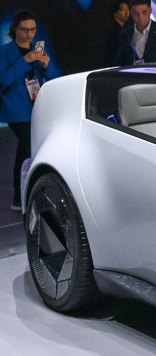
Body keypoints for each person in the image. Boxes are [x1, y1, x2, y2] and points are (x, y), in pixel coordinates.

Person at [0, 11, 61, 210]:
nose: (29, 34)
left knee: (32, 148)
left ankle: (31, 194)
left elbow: (54, 78)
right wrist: (23, 60)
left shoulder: (39, 49)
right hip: (16, 108)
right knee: (27, 145)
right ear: (14, 29)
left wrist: (46, 64)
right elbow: (4, 79)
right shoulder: (6, 52)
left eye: (32, 29)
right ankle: (19, 198)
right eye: (24, 29)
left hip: (37, 105)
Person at [115, 0, 156, 65]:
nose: (140, 18)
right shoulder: (125, 34)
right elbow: (120, 62)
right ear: (131, 13)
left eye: (144, 12)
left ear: (150, 11)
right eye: (136, 13)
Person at [104, 1, 130, 66]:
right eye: (123, 10)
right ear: (115, 13)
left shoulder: (124, 29)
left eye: (128, 10)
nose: (127, 13)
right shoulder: (113, 30)